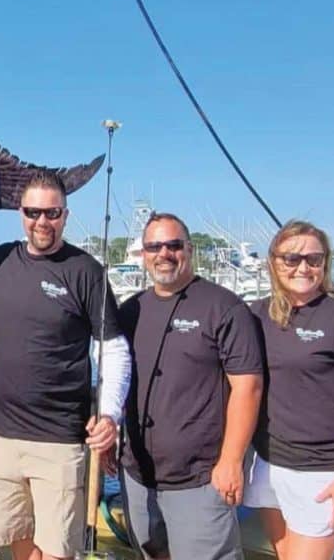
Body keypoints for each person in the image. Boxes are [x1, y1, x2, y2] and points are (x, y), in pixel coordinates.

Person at [0, 172, 131, 560]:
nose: (42, 222)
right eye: (33, 212)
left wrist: (110, 416)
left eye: (51, 213)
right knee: (16, 543)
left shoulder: (85, 271)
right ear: (20, 213)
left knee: (57, 550)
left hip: (58, 438)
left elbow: (115, 349)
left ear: (65, 215)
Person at [117, 212, 264, 560]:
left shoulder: (224, 307)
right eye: (154, 246)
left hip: (200, 478)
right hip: (138, 475)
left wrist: (231, 461)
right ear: (143, 254)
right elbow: (119, 381)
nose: (163, 253)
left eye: (173, 245)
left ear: (190, 249)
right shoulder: (130, 310)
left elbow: (248, 388)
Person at [243, 220, 334, 560]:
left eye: (313, 259)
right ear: (273, 262)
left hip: (326, 471)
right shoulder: (256, 314)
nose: (302, 267)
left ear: (326, 262)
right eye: (291, 259)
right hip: (269, 464)